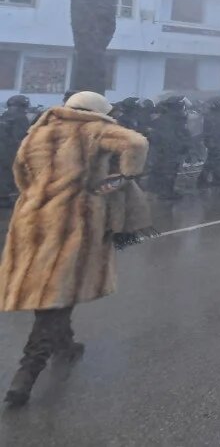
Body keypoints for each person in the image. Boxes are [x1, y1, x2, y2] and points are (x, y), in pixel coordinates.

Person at [0, 91, 151, 408]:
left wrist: (41, 195)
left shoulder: (38, 131)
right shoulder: (92, 128)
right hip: (74, 220)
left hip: (32, 216)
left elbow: (20, 172)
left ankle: (64, 344)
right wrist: (126, 175)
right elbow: (136, 144)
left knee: (45, 281)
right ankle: (27, 372)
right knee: (60, 291)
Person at [147, 96, 191, 200]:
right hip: (170, 151)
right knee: (169, 171)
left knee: (162, 170)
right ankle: (166, 193)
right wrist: (183, 146)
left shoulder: (164, 118)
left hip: (162, 150)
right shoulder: (175, 119)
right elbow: (173, 137)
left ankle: (159, 190)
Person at [0, 95, 31, 206]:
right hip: (12, 151)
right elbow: (23, 137)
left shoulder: (4, 115)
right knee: (12, 174)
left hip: (3, 150)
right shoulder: (21, 117)